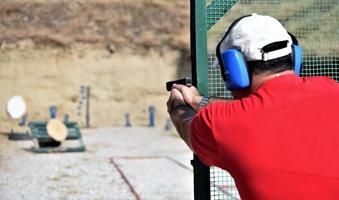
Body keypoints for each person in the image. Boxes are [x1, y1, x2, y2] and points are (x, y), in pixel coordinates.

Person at [167, 13, 339, 199]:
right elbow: (269, 110)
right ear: (294, 56)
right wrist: (199, 101)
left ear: (233, 69)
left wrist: (178, 102)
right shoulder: (331, 88)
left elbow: (187, 126)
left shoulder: (221, 122)